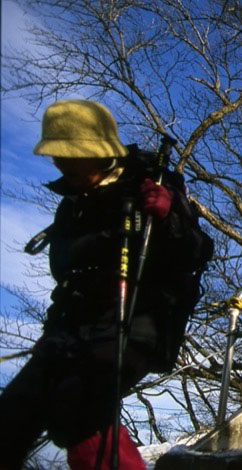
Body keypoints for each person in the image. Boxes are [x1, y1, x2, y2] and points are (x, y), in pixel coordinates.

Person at [0, 100, 213, 470]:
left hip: (136, 321)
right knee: (12, 415)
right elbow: (65, 271)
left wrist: (168, 220)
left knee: (77, 408)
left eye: (72, 155)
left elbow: (195, 252)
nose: (63, 165)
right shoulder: (71, 203)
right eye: (56, 156)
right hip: (70, 324)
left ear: (98, 151)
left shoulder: (151, 182)